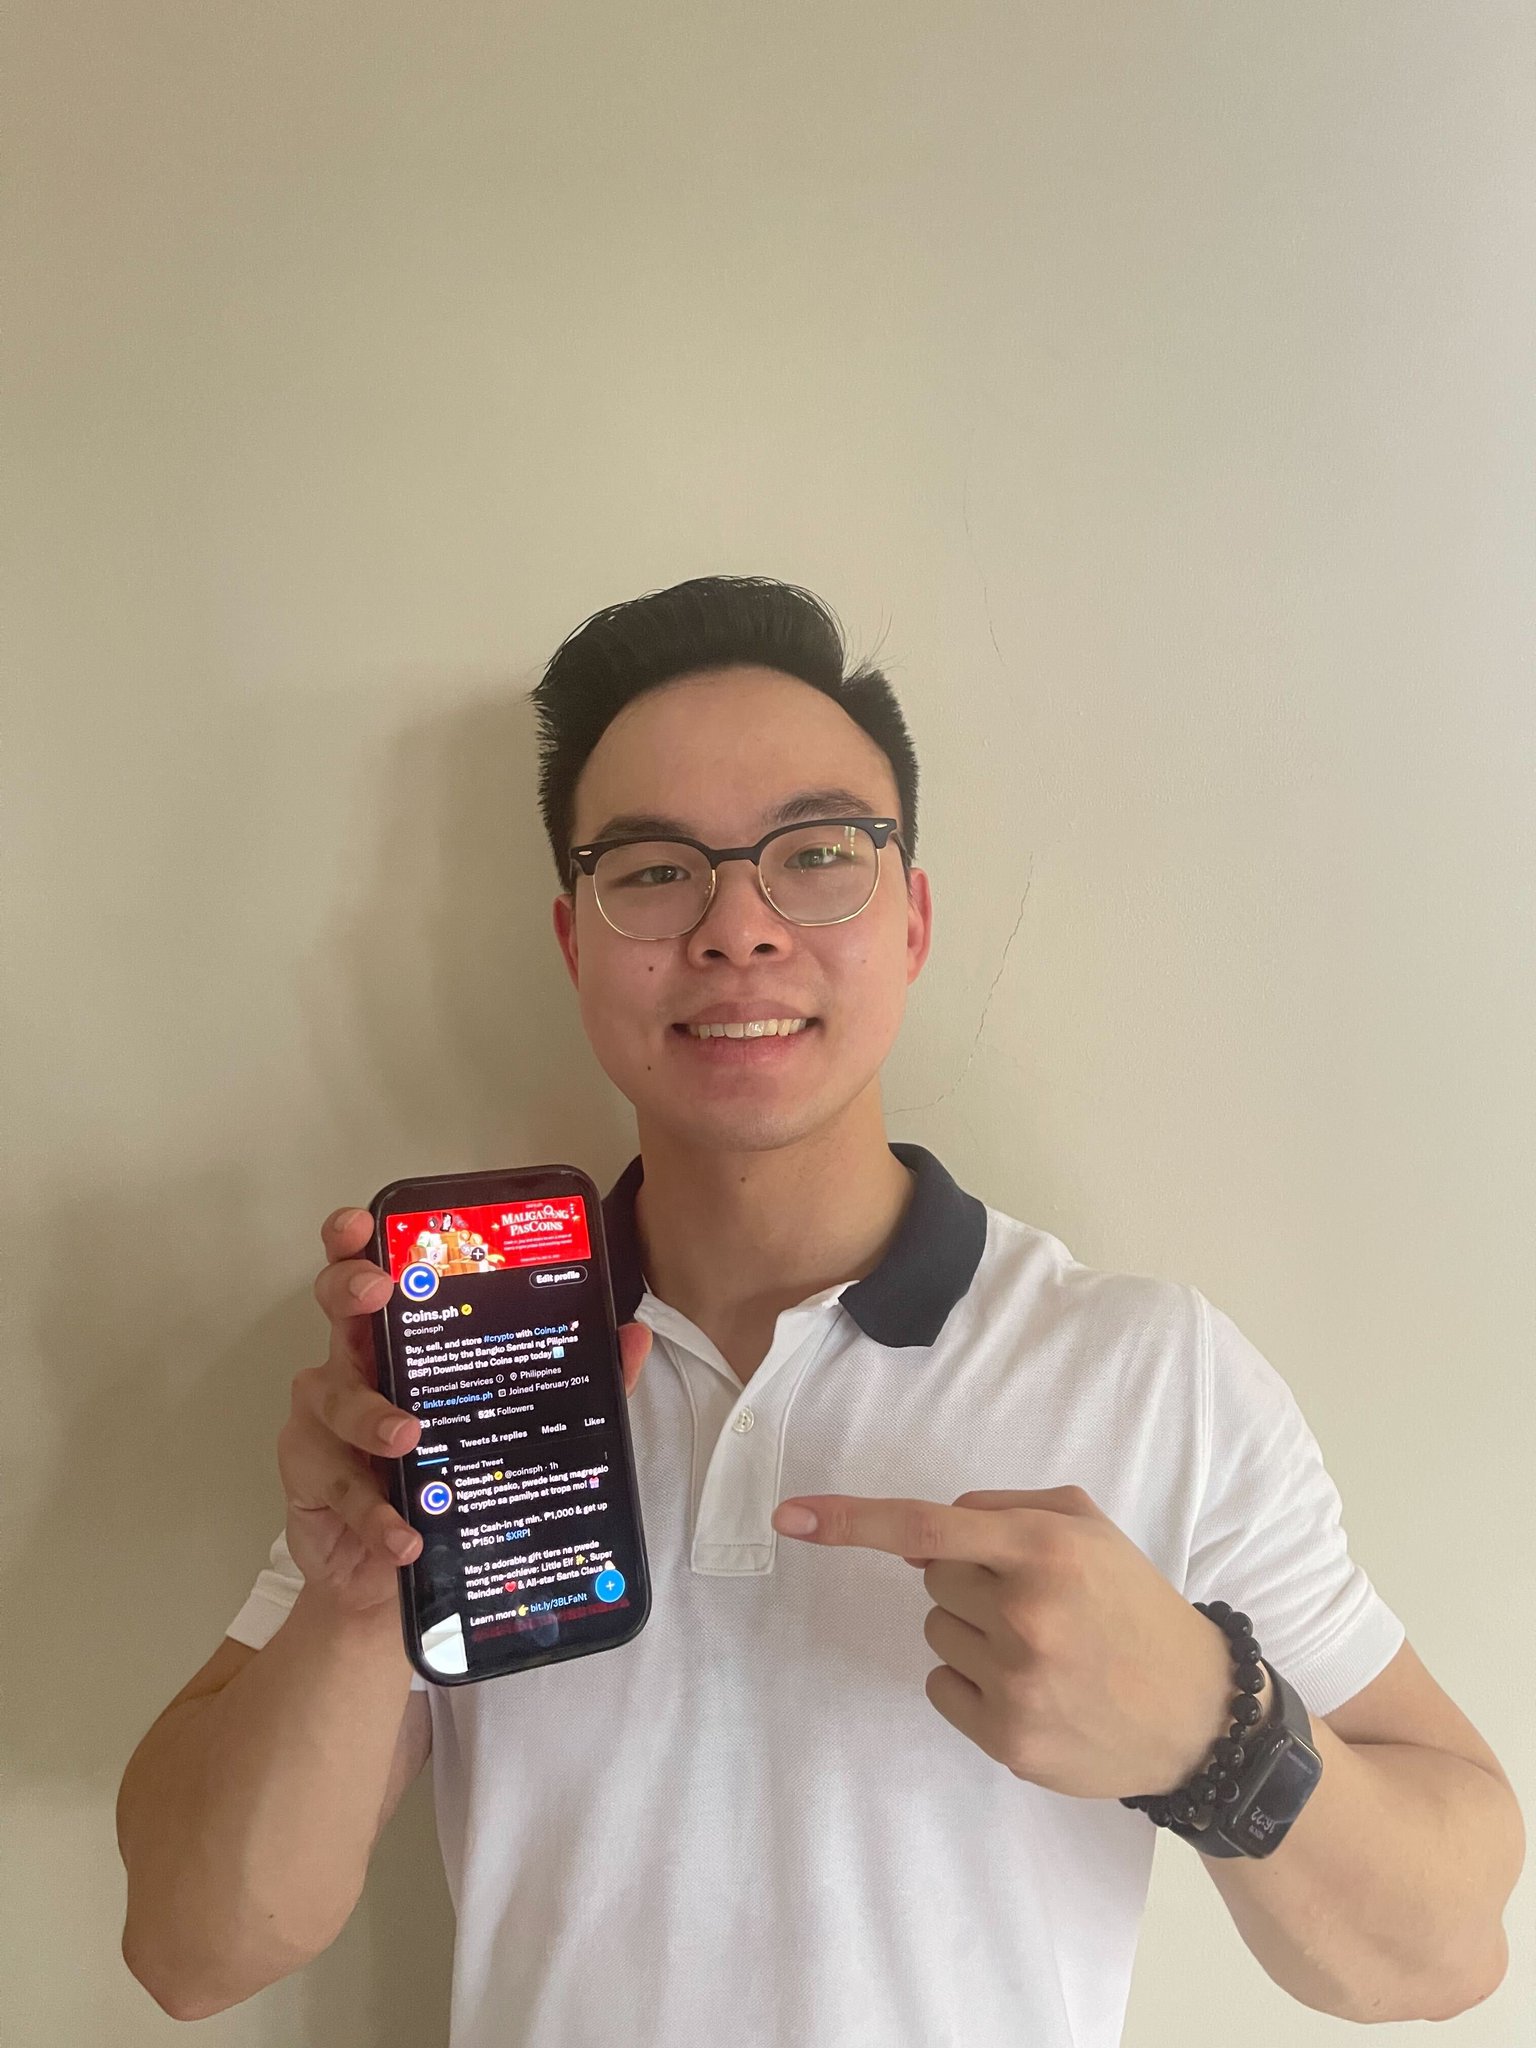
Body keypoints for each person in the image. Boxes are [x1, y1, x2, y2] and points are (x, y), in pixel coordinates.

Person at [116, 576, 1524, 2045]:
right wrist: (365, 1602)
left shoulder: (1150, 1373)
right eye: (655, 870)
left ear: (911, 919)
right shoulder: (470, 1366)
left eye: (817, 855)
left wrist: (1210, 1732)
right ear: (575, 942)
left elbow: (1445, 1952)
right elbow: (190, 1950)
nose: (738, 927)